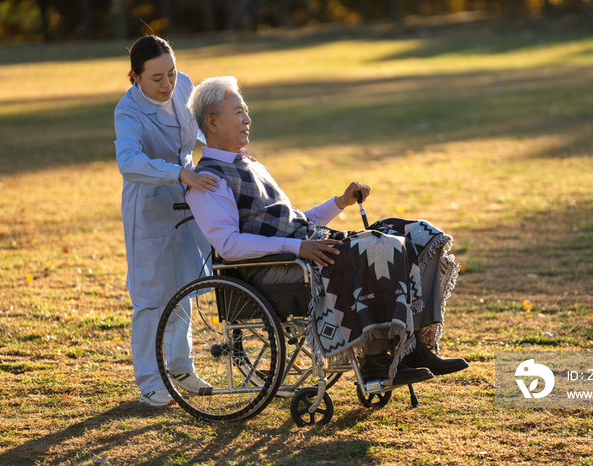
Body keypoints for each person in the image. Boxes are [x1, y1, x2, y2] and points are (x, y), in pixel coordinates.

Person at [185, 76, 469, 386]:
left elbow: (294, 222)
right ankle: (376, 360)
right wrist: (298, 249)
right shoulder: (207, 181)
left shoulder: (251, 164)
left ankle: (413, 346)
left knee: (414, 236)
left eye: (246, 111)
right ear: (212, 123)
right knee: (377, 248)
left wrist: (339, 203)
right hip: (274, 267)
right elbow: (228, 245)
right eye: (239, 112)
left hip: (306, 249)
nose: (248, 119)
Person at [114, 35, 219, 407]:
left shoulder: (184, 85)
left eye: (171, 73)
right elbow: (128, 162)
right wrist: (178, 173)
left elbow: (205, 127)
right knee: (152, 294)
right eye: (156, 77)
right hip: (150, 205)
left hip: (189, 197)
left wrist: (230, 150)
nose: (167, 84)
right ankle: (150, 381)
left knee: (184, 285)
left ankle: (180, 368)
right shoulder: (127, 112)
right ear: (135, 76)